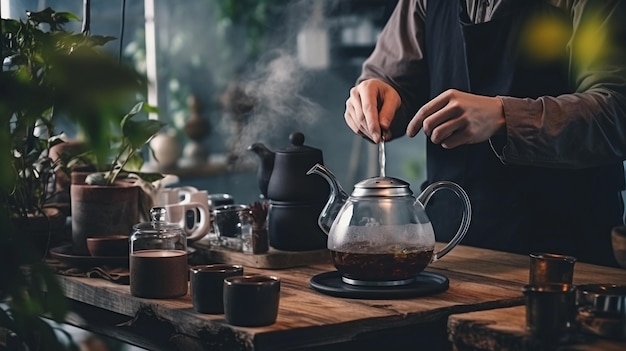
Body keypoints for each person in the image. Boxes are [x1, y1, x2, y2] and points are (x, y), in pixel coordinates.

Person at [344, 0, 626, 267]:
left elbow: (617, 112)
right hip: (447, 252)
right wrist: (376, 96)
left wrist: (503, 116)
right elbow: (389, 79)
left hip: (562, 259)